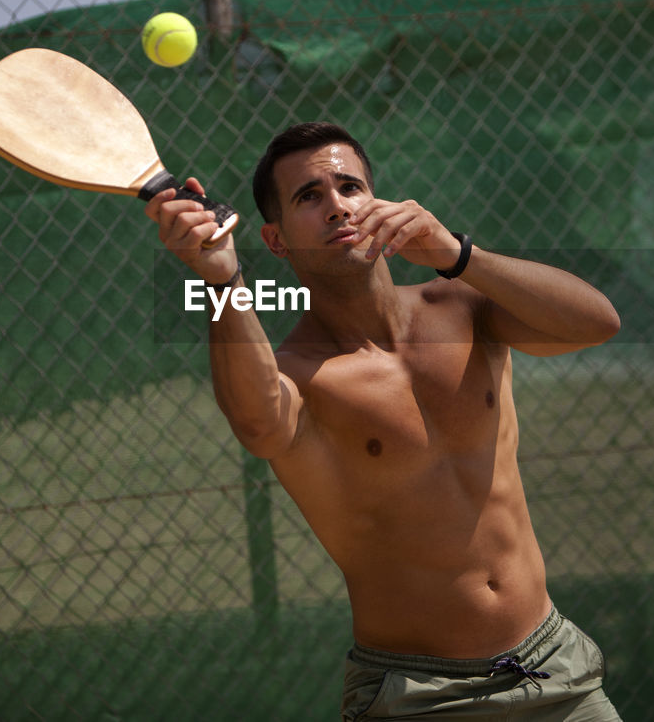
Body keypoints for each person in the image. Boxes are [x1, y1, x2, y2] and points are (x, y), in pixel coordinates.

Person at [146, 122, 623, 721]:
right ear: (277, 241)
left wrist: (456, 254)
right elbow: (260, 426)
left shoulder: (461, 305)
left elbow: (597, 323)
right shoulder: (301, 373)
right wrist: (223, 280)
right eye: (309, 197)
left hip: (556, 671)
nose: (338, 206)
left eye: (350, 186)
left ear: (379, 201)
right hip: (417, 697)